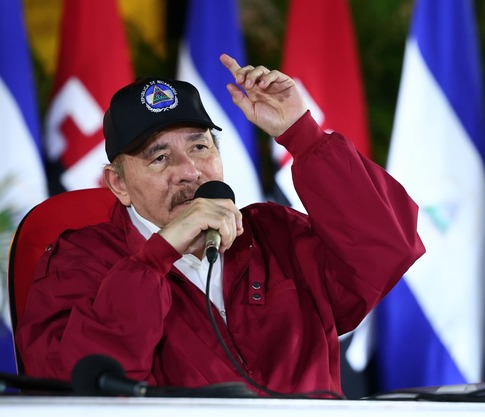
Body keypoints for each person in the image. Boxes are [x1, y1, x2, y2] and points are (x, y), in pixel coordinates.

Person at [16, 54, 425, 396]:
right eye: (159, 158)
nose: (189, 170)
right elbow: (72, 386)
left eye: (200, 146)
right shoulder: (79, 261)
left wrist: (302, 134)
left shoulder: (275, 234)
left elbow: (388, 248)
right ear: (119, 184)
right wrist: (157, 256)